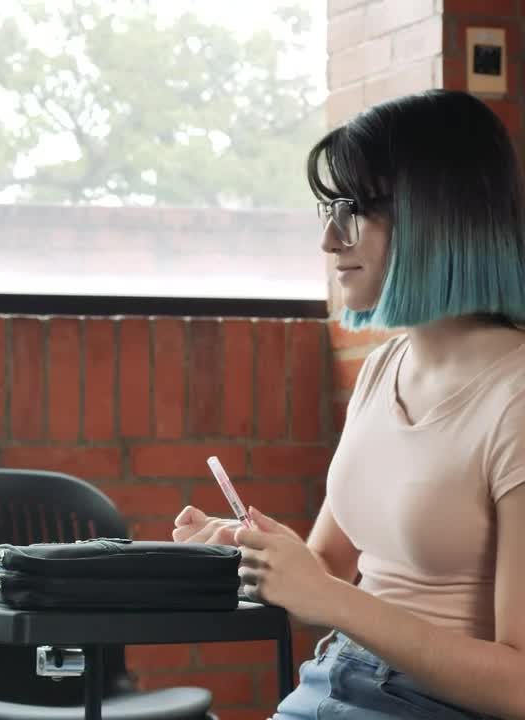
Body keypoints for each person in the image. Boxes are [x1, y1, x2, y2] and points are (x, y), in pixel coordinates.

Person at [173, 88, 525, 719]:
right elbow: (328, 568)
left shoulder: (516, 398)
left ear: (439, 215)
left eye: (355, 210)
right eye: (329, 210)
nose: (330, 240)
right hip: (331, 685)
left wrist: (331, 600)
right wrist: (249, 548)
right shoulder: (382, 369)